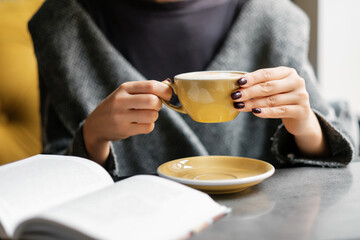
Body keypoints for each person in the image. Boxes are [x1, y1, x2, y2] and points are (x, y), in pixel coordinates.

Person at [29, 0, 359, 178]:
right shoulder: (61, 24)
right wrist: (93, 138)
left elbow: (341, 152)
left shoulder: (273, 18)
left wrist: (307, 126)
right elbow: (55, 169)